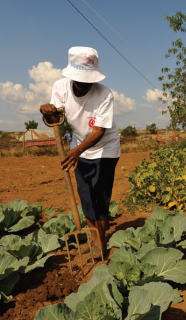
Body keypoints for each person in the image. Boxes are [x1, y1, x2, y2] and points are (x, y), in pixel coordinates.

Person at [40, 47, 120, 258]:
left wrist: (76, 150)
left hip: (105, 149)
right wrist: (46, 110)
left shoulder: (104, 94)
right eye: (81, 80)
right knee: (85, 195)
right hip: (80, 149)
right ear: (72, 77)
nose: (85, 84)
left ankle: (100, 244)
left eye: (89, 80)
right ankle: (94, 240)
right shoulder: (60, 87)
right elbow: (54, 118)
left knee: (99, 197)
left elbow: (99, 131)